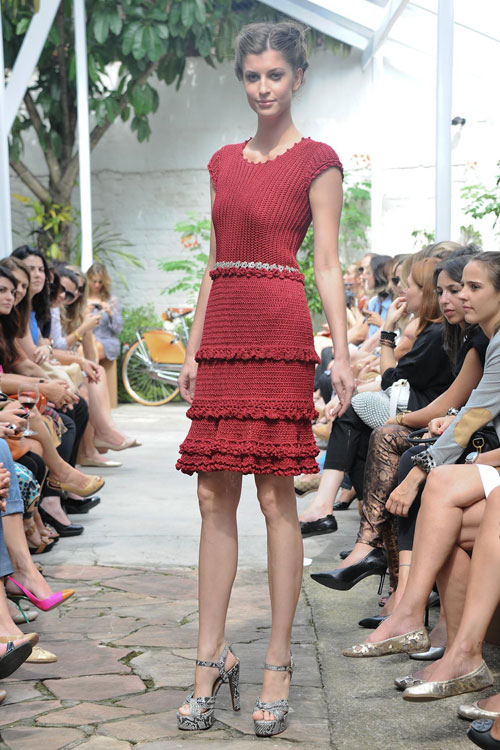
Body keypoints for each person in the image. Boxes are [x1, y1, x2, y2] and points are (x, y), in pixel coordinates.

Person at [175, 21, 353, 737]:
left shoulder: (319, 161)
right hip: (223, 331)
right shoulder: (221, 162)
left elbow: (327, 263)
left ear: (298, 78)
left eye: (275, 74)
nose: (263, 87)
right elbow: (214, 263)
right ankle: (208, 659)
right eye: (252, 76)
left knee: (277, 495)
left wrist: (343, 353)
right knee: (211, 493)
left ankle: (278, 662)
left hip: (279, 330)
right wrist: (194, 348)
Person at [342, 251, 500, 664]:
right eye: (449, 289)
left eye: (471, 288)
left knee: (422, 472)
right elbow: (469, 411)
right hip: (480, 448)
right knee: (416, 466)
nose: (459, 297)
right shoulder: (483, 338)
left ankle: (417, 615)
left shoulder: (487, 341)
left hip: (486, 453)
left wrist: (420, 468)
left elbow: (473, 413)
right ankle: (432, 627)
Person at [299, 257, 454, 539]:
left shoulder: (433, 333)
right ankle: (359, 524)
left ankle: (341, 512)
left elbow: (390, 377)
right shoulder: (433, 329)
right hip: (416, 404)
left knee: (351, 410)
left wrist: (388, 329)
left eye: (407, 284)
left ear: (425, 292)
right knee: (352, 413)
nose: (401, 290)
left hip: (420, 409)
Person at [86, 261, 123, 362]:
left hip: (106, 340)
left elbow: (118, 329)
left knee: (92, 348)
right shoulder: (82, 300)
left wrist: (111, 313)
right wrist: (85, 311)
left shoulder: (111, 301)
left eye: (100, 282)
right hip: (85, 340)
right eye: (94, 281)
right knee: (85, 347)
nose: (97, 285)